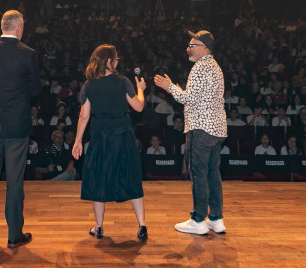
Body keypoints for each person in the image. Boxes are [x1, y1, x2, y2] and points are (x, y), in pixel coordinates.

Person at [0, 10, 42, 249]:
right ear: (19, 28)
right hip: (17, 125)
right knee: (15, 181)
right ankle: (14, 235)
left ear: (2, 26)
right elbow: (35, 89)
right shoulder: (28, 54)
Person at [153, 30, 227, 236]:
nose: (188, 48)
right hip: (217, 128)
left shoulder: (200, 67)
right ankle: (216, 219)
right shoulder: (215, 67)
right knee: (213, 173)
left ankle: (198, 219)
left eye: (192, 45)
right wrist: (177, 89)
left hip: (201, 129)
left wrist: (169, 88)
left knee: (198, 174)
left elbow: (189, 99)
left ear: (204, 47)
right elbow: (199, 96)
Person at [71, 44, 148, 241]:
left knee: (99, 180)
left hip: (101, 138)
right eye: (115, 59)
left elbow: (84, 116)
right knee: (131, 178)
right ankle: (142, 226)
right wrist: (140, 90)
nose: (117, 62)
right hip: (124, 136)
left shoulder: (88, 85)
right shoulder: (123, 81)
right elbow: (138, 107)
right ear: (108, 61)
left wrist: (78, 141)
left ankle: (99, 227)